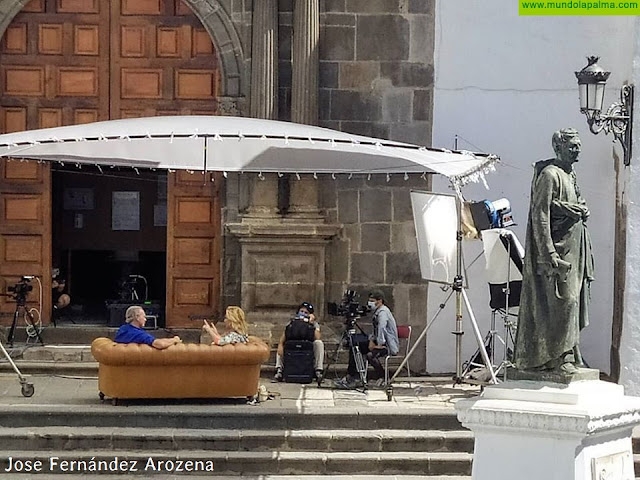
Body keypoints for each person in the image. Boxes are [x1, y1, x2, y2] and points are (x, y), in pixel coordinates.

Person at [514, 128, 594, 374]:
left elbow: (575, 206)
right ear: (558, 147)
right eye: (572, 146)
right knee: (564, 301)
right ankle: (556, 357)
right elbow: (540, 215)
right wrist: (548, 254)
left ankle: (569, 352)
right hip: (558, 253)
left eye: (578, 145)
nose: (577, 149)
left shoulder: (571, 175)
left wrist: (581, 211)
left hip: (576, 248)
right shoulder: (550, 175)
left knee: (575, 300)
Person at [335, 289, 399, 389]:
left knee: (370, 355)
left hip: (387, 345)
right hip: (378, 341)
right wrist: (371, 341)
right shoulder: (378, 312)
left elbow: (382, 328)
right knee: (354, 343)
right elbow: (375, 331)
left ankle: (383, 376)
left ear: (380, 301)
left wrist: (379, 343)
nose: (370, 303)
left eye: (373, 300)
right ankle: (353, 375)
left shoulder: (383, 312)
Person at [273, 301, 324, 382]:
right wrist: (280, 345)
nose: (303, 313)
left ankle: (318, 371)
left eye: (306, 312)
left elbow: (317, 337)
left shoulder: (314, 324)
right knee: (282, 345)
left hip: (307, 346)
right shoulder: (292, 322)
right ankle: (279, 371)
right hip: (293, 345)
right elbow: (284, 336)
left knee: (319, 343)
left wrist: (310, 323)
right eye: (302, 311)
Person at [115, 305, 181, 349]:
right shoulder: (139, 334)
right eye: (144, 317)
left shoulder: (122, 329)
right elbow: (159, 344)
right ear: (137, 317)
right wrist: (175, 340)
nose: (145, 319)